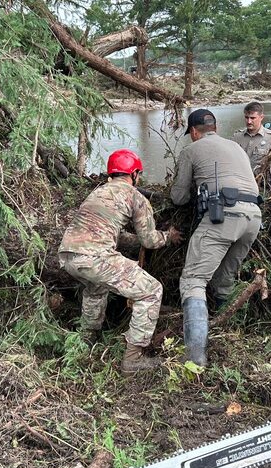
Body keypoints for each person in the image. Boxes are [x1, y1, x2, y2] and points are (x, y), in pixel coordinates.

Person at [58, 149, 181, 376]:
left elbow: (104, 230)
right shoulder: (135, 197)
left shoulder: (97, 193)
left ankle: (86, 342)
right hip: (95, 257)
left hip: (67, 255)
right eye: (138, 174)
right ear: (134, 174)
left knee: (95, 289)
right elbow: (150, 240)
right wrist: (168, 236)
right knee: (151, 291)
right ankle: (133, 359)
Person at [171, 109, 262, 366]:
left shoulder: (191, 150)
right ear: (215, 127)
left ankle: (195, 357)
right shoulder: (235, 146)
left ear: (194, 132)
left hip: (224, 215)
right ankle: (229, 333)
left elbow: (178, 197)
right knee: (224, 279)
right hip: (253, 217)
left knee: (193, 280)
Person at [232, 102, 271, 188]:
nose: (249, 121)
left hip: (263, 186)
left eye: (253, 118)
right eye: (246, 117)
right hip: (240, 184)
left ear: (261, 117)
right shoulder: (237, 137)